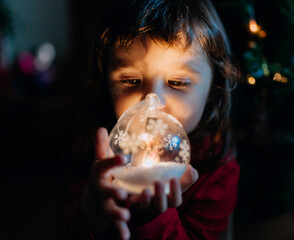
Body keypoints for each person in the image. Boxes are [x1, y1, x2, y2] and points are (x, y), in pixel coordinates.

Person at [62, 0, 240, 239]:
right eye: (131, 81)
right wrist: (93, 210)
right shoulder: (96, 153)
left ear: (213, 90)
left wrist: (153, 220)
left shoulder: (218, 170)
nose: (151, 102)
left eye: (177, 83)